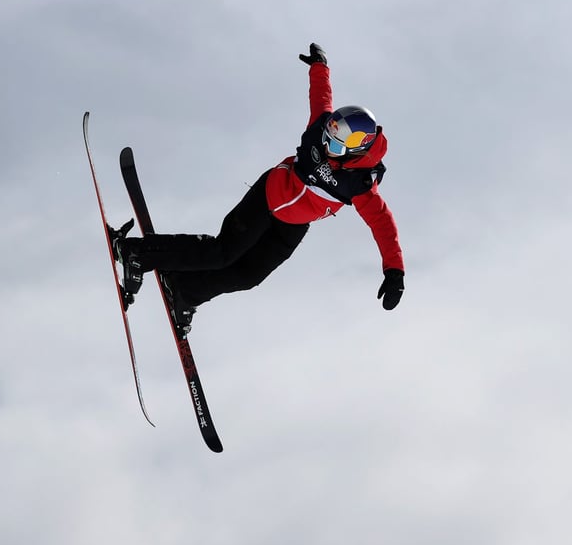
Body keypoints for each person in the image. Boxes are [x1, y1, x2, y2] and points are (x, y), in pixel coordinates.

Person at [113, 43, 405, 337]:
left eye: (337, 146)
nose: (327, 147)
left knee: (248, 275)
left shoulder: (361, 186)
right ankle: (137, 253)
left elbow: (383, 225)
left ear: (358, 151)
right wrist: (320, 65)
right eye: (329, 137)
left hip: (292, 225)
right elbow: (321, 95)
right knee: (222, 252)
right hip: (270, 195)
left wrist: (394, 272)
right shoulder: (320, 127)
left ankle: (186, 292)